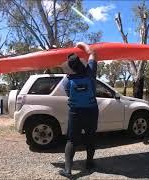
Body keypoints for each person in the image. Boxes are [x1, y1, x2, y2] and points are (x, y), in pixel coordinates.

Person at [59, 42, 99, 177]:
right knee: (90, 137)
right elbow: (93, 53)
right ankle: (89, 163)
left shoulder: (67, 80)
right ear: (81, 64)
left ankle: (68, 171)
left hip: (75, 112)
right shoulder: (91, 72)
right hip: (91, 111)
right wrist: (81, 45)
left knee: (71, 140)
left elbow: (68, 93)